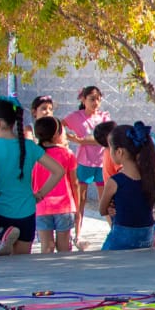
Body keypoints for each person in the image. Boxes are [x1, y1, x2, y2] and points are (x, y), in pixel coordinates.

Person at [0, 98, 67, 256]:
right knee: (21, 262)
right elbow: (58, 171)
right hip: (26, 212)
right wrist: (40, 195)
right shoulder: (29, 145)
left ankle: (1, 235)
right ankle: (5, 240)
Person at [100, 122, 155, 251]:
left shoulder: (115, 181)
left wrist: (110, 208)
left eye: (109, 148)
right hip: (148, 237)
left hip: (124, 238)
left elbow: (102, 210)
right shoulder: (150, 176)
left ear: (119, 152)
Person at [62, 85, 109, 247]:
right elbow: (59, 125)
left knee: (106, 198)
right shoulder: (76, 116)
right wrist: (67, 139)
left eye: (98, 99)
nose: (95, 103)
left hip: (102, 162)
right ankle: (77, 235)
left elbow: (105, 137)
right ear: (83, 100)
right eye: (92, 99)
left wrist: (81, 140)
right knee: (80, 199)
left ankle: (114, 230)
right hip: (84, 163)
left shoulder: (104, 117)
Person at [29, 116, 78, 255]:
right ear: (57, 133)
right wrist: (77, 203)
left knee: (46, 246)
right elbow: (74, 182)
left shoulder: (34, 155)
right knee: (64, 246)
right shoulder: (67, 153)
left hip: (41, 205)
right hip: (64, 205)